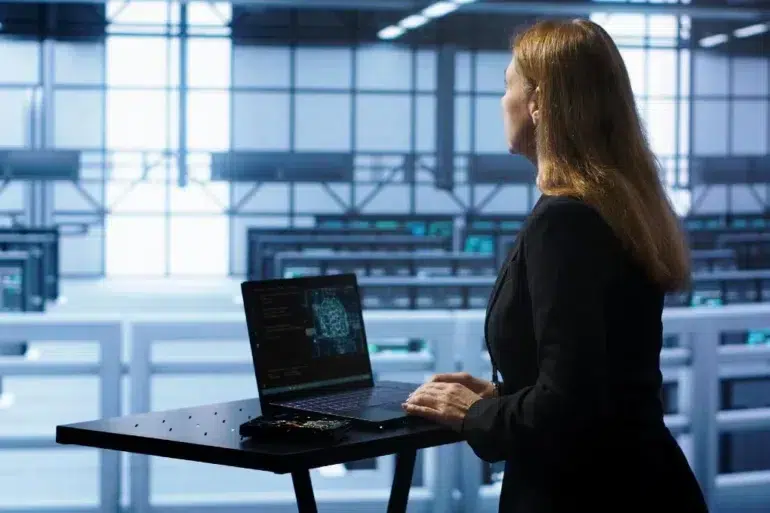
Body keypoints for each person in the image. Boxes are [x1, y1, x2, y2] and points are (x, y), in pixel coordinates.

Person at [402, 18, 709, 513]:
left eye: (508, 85)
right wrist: (504, 393)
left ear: (540, 102)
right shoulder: (614, 207)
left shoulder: (564, 221)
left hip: (584, 493)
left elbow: (570, 408)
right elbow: (599, 380)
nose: (502, 102)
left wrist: (477, 415)